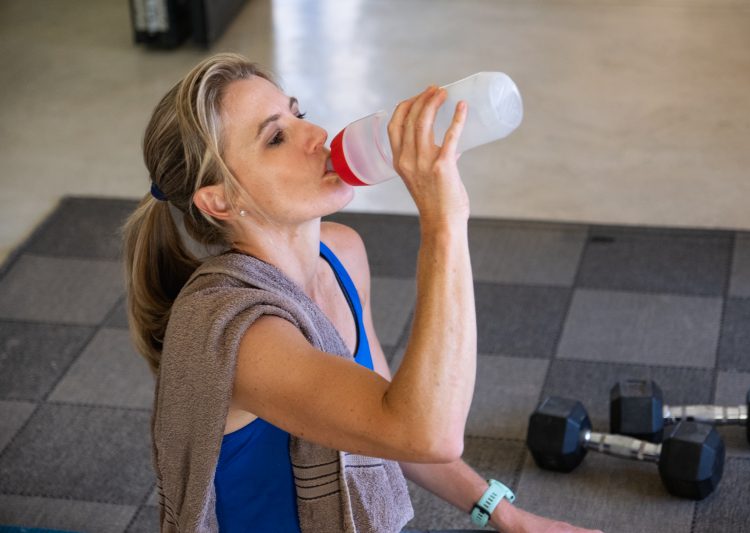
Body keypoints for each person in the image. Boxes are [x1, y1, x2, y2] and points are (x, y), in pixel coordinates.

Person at [122, 53, 600, 533]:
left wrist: (507, 515)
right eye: (276, 137)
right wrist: (444, 222)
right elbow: (426, 433)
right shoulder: (241, 334)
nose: (316, 136)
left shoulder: (342, 253)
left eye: (299, 114)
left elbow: (394, 419)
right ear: (220, 199)